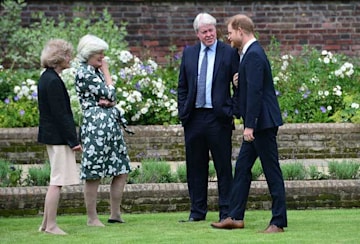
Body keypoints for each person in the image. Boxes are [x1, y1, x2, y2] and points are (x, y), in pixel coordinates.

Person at [211, 14, 288, 233]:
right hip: (258, 123)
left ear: (240, 31)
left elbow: (256, 93)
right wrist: (238, 83)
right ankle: (235, 217)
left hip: (261, 124)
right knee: (243, 168)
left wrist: (250, 125)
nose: (228, 37)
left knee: (271, 171)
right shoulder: (248, 54)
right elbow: (249, 87)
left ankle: (278, 222)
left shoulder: (253, 54)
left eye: (230, 33)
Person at [177, 13, 239, 222]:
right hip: (194, 118)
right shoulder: (189, 54)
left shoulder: (228, 53)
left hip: (218, 118)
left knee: (223, 167)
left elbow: (238, 85)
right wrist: (183, 112)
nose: (209, 34)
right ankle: (197, 212)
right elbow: (182, 87)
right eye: (204, 31)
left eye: (211, 30)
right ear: (197, 34)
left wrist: (232, 110)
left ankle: (226, 212)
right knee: (195, 168)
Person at [75, 34, 131, 227]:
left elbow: (112, 98)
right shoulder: (85, 72)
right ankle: (92, 218)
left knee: (121, 169)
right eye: (99, 53)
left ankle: (115, 214)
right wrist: (107, 74)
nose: (103, 56)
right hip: (96, 127)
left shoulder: (94, 71)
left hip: (110, 125)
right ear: (88, 54)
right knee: (94, 172)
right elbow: (110, 93)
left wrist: (109, 99)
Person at [37, 39, 82, 235]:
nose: (69, 59)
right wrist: (74, 141)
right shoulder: (53, 81)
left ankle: (45, 224)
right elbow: (61, 114)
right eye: (67, 55)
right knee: (57, 182)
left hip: (52, 136)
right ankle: (51, 225)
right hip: (58, 138)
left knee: (55, 180)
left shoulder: (46, 77)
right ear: (59, 58)